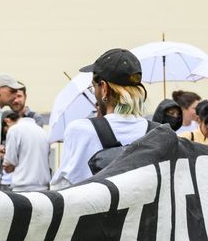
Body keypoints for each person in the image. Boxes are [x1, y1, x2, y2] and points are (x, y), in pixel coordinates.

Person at [54, 48, 150, 186]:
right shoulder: (156, 133)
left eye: (93, 87)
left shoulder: (81, 130)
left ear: (104, 88)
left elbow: (63, 188)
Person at [3, 104, 52, 192]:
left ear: (7, 121)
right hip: (43, 190)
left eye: (5, 131)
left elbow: (9, 165)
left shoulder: (14, 130)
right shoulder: (44, 133)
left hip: (22, 189)